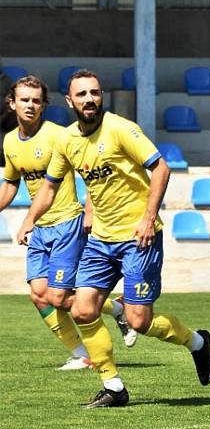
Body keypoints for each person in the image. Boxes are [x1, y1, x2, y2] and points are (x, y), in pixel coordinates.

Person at [17, 69, 210, 408]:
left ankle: (197, 343)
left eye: (94, 93)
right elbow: (49, 186)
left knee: (140, 320)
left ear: (101, 97)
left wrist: (149, 218)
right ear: (70, 101)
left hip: (139, 237)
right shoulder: (66, 140)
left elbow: (161, 168)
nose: (89, 99)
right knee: (82, 310)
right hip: (101, 240)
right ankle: (114, 387)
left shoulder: (122, 129)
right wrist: (29, 219)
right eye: (81, 95)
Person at [1, 75, 136, 371]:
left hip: (67, 223)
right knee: (39, 296)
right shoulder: (10, 141)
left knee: (59, 297)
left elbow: (90, 172)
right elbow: (11, 183)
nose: (30, 105)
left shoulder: (59, 136)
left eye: (37, 100)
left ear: (45, 105)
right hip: (40, 228)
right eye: (25, 99)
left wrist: (89, 211)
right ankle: (82, 353)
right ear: (12, 103)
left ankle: (117, 311)